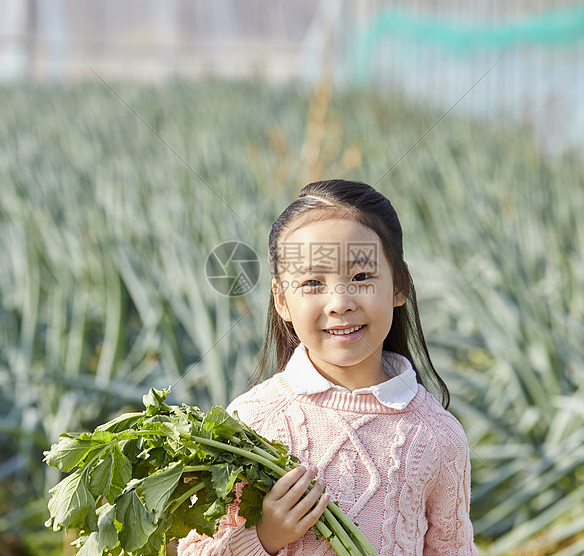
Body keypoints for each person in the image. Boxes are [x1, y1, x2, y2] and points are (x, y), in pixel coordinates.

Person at [178, 179, 477, 555]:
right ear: (281, 299)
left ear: (400, 284)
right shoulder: (250, 423)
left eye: (361, 277)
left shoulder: (438, 437)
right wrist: (264, 536)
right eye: (313, 282)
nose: (339, 302)